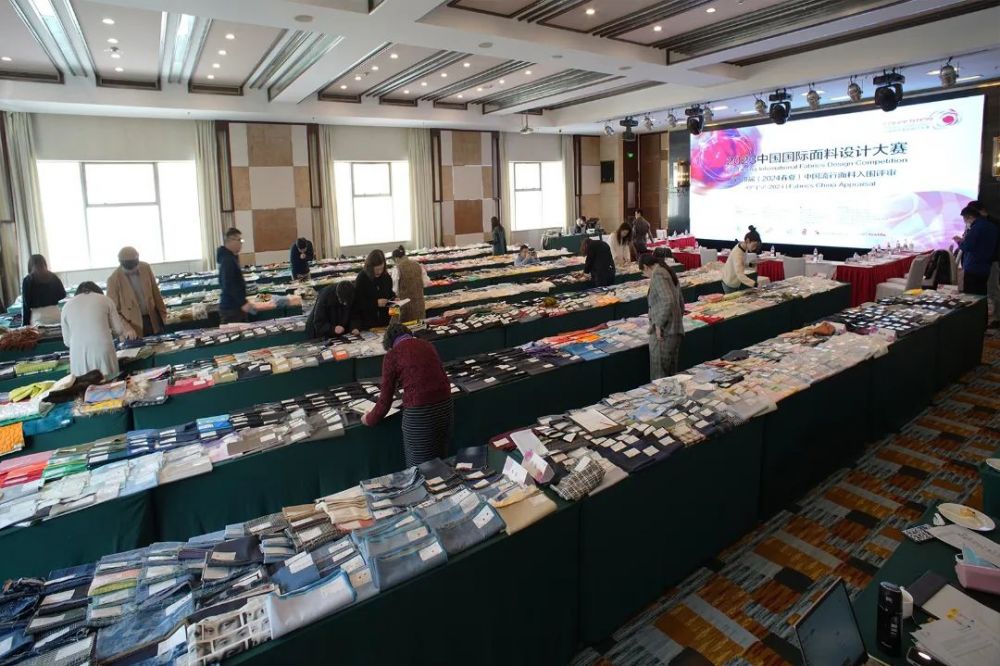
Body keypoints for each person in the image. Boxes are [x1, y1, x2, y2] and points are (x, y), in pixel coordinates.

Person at [363, 323, 454, 467]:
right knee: (440, 460)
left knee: (418, 466)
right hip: (445, 406)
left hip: (419, 413)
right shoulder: (427, 345)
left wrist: (369, 419)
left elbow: (385, 400)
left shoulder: (392, 355)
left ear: (389, 344)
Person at [60, 282, 133, 379]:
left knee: (84, 385)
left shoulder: (66, 306)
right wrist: (106, 332)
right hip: (103, 351)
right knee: (110, 383)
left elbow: (67, 342)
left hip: (78, 357)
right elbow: (119, 330)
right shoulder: (105, 300)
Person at [106, 247, 168, 338]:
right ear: (121, 263)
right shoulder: (113, 280)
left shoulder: (145, 268)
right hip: (132, 327)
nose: (132, 269)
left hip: (153, 320)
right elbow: (113, 311)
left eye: (134, 265)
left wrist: (164, 315)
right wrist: (127, 328)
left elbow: (156, 293)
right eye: (129, 267)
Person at [640, 253, 684, 380]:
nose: (646, 276)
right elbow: (680, 302)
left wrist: (659, 324)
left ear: (646, 267)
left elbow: (668, 300)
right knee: (670, 374)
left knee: (659, 375)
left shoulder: (658, 274)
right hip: (674, 330)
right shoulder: (668, 271)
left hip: (665, 332)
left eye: (644, 272)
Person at [954, 205, 999, 296]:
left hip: (973, 266)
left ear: (970, 217)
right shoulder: (992, 227)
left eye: (965, 219)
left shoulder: (976, 228)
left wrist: (959, 242)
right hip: (986, 266)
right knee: (981, 293)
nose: (965, 222)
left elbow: (967, 246)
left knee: (971, 295)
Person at [969, 200, 1000, 328]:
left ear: (981, 211)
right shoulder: (979, 223)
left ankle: (997, 317)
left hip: (991, 261)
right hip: (980, 262)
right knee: (983, 290)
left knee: (992, 290)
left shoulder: (993, 223)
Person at [217, 228, 253, 324]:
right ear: (231, 240)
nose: (241, 243)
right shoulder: (227, 259)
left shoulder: (230, 257)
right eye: (239, 240)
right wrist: (243, 302)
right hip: (231, 309)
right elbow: (228, 284)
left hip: (234, 306)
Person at [354, 249, 394, 329]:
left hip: (385, 321)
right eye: (376, 269)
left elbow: (389, 293)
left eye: (381, 268)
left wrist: (394, 299)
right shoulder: (362, 278)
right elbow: (358, 303)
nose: (379, 272)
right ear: (370, 267)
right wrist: (375, 303)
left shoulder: (386, 276)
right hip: (368, 323)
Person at [21, 254, 66, 326]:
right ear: (44, 264)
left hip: (38, 317)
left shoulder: (27, 280)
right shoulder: (53, 276)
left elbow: (26, 305)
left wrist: (25, 325)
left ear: (30, 266)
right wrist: (51, 298)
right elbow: (63, 294)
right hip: (55, 314)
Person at [389, 246, 428, 322]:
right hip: (419, 305)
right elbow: (426, 283)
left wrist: (392, 314)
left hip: (405, 307)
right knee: (419, 326)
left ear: (396, 259)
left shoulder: (397, 269)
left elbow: (394, 291)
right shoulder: (417, 265)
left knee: (406, 328)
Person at [721, 226, 761, 293]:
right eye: (754, 245)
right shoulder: (738, 253)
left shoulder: (743, 247)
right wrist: (755, 284)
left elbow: (741, 263)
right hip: (729, 283)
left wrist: (749, 264)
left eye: (756, 246)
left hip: (734, 282)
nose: (754, 248)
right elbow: (740, 275)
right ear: (747, 241)